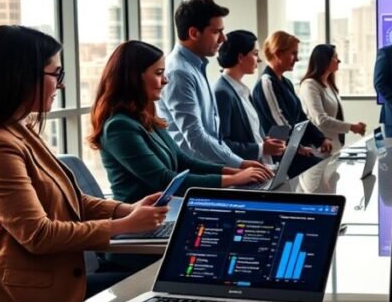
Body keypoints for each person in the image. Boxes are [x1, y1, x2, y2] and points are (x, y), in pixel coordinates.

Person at [0, 27, 253, 302]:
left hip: (56, 286)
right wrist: (126, 226)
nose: (60, 84)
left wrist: (126, 210)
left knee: (179, 277)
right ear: (21, 74)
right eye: (55, 74)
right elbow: (38, 236)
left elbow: (75, 202)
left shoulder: (20, 132)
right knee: (176, 282)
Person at [89, 41, 272, 205]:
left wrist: (236, 170)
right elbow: (165, 180)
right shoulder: (119, 127)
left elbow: (183, 161)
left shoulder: (145, 118)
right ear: (133, 77)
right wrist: (234, 179)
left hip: (168, 210)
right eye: (159, 73)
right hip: (142, 219)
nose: (165, 80)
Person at [157, 0, 268, 175]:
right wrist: (239, 164)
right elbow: (195, 137)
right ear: (194, 33)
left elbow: (213, 135)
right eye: (216, 32)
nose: (223, 39)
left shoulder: (196, 67)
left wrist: (238, 163)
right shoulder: (179, 72)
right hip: (196, 176)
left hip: (210, 169)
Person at [252, 31, 333, 174]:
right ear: (278, 53)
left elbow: (301, 117)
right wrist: (298, 148)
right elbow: (280, 123)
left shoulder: (286, 82)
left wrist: (320, 139)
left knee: (327, 169)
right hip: (281, 156)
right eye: (293, 54)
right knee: (324, 171)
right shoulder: (267, 83)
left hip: (293, 151)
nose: (297, 58)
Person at [213, 30, 287, 165]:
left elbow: (249, 133)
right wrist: (261, 148)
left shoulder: (243, 89)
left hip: (260, 167)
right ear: (240, 57)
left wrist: (264, 142)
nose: (258, 59)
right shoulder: (222, 93)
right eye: (255, 53)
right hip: (242, 172)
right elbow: (222, 144)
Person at [298, 44, 367, 152]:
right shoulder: (309, 85)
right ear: (325, 61)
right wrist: (352, 127)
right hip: (321, 147)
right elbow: (321, 119)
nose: (338, 61)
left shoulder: (329, 84)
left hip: (334, 144)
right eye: (335, 57)